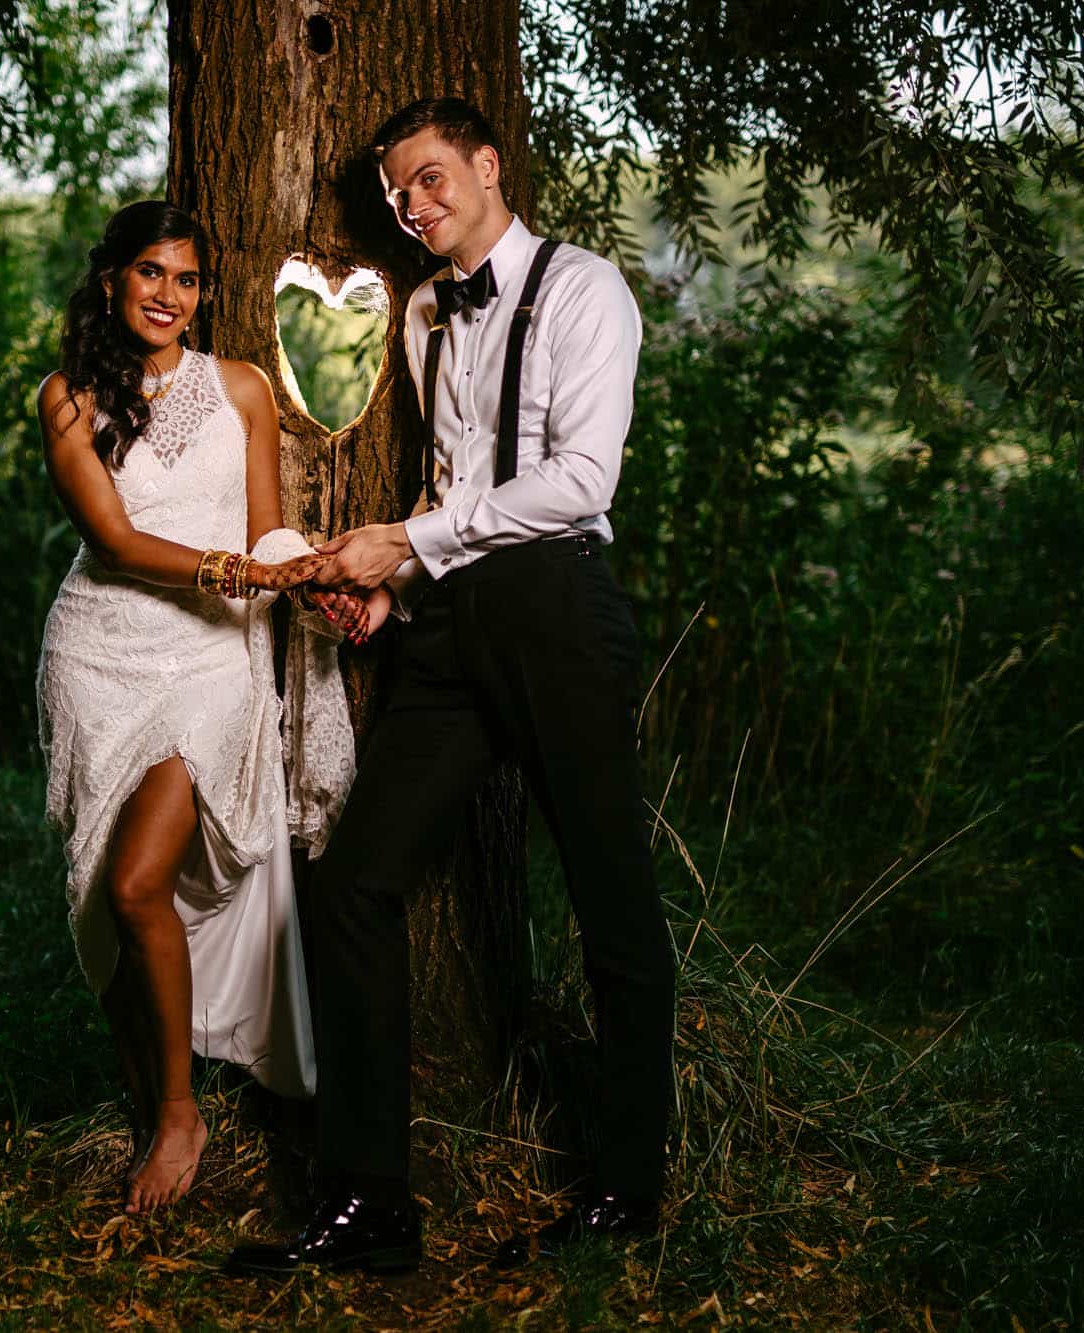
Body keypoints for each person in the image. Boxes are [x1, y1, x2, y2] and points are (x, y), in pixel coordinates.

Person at [225, 97, 675, 1275]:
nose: (412, 208)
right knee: (352, 883)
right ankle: (372, 1203)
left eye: (427, 181)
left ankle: (629, 1187)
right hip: (448, 631)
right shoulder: (424, 311)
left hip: (556, 614)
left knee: (607, 901)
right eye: (395, 196)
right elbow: (448, 489)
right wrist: (392, 589)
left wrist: (407, 542)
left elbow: (578, 479)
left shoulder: (584, 290)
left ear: (485, 168)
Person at [37, 201, 385, 1215]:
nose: (167, 294)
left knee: (141, 882)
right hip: (97, 656)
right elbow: (111, 541)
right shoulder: (67, 398)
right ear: (112, 281)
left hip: (208, 665)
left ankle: (182, 1111)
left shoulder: (239, 388)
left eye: (185, 279)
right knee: (104, 888)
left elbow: (266, 532)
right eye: (149, 272)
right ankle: (150, 1095)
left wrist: (308, 579)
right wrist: (237, 567)